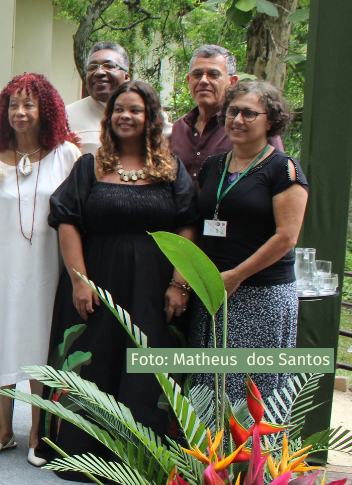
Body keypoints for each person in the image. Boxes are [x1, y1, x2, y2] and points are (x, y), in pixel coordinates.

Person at [37, 81, 197, 478]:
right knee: (95, 363)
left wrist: (179, 283)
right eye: (119, 110)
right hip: (97, 283)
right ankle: (83, 455)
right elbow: (67, 222)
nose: (126, 116)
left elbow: (189, 225)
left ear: (151, 118)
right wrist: (79, 281)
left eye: (136, 110)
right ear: (109, 119)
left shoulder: (171, 169)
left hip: (153, 287)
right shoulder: (90, 166)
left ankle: (148, 460)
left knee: (149, 366)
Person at [0, 73, 80, 465]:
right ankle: (3, 430)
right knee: (0, 340)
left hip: (47, 268)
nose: (20, 112)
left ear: (45, 109)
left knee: (38, 345)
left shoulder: (66, 155)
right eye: (13, 105)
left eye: (29, 104)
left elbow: (77, 217)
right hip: (1, 265)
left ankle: (37, 433)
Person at [190, 81, 308, 403]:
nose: (238, 120)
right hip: (214, 291)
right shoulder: (213, 165)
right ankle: (211, 454)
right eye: (232, 111)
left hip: (261, 296)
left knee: (252, 395)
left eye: (249, 113)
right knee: (209, 390)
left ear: (270, 121)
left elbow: (287, 237)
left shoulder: (284, 169)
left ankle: (252, 456)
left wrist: (237, 275)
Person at [171, 45, 282, 182]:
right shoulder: (179, 128)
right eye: (197, 74)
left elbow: (278, 176)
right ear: (189, 80)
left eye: (213, 74)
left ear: (233, 82)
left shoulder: (250, 126)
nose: (203, 81)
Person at [66, 41, 170, 155]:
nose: (99, 72)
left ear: (126, 77)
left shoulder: (151, 113)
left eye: (109, 66)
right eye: (92, 67)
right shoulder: (66, 116)